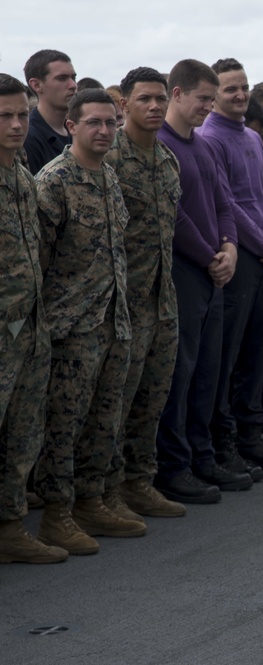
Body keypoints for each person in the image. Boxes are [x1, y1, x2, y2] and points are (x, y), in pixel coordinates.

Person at [34, 88, 143, 555]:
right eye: (94, 123)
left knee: (105, 417)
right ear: (71, 127)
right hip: (70, 327)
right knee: (64, 422)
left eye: (109, 123)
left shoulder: (108, 178)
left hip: (111, 320)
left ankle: (93, 499)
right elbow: (37, 261)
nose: (104, 130)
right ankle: (57, 515)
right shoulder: (54, 181)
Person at [200, 59, 263, 472]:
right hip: (243, 259)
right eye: (229, 89)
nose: (239, 95)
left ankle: (252, 436)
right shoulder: (211, 139)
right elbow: (228, 204)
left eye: (243, 87)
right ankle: (227, 443)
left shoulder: (252, 139)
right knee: (232, 358)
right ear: (214, 95)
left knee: (260, 353)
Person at [102, 67, 187, 520]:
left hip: (161, 298)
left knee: (152, 398)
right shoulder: (109, 157)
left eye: (159, 99)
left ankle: (139, 481)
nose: (154, 107)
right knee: (114, 403)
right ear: (124, 105)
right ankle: (105, 492)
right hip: (120, 304)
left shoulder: (167, 159)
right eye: (144, 99)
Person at [155, 59, 240, 505]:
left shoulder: (203, 147)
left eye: (212, 98)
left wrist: (229, 247)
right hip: (186, 271)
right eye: (203, 98)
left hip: (215, 270)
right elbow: (176, 214)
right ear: (177, 94)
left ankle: (203, 456)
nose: (208, 107)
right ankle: (174, 466)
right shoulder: (163, 146)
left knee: (210, 371)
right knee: (181, 374)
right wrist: (212, 256)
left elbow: (223, 203)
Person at [0, 73, 67, 564]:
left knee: (24, 434)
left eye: (22, 114)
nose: (17, 124)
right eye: (5, 116)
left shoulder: (22, 172)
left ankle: (9, 527)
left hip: (29, 323)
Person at [23, 50, 77, 174]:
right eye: (62, 78)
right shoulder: (28, 137)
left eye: (73, 78)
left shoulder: (78, 131)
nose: (73, 85)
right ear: (36, 85)